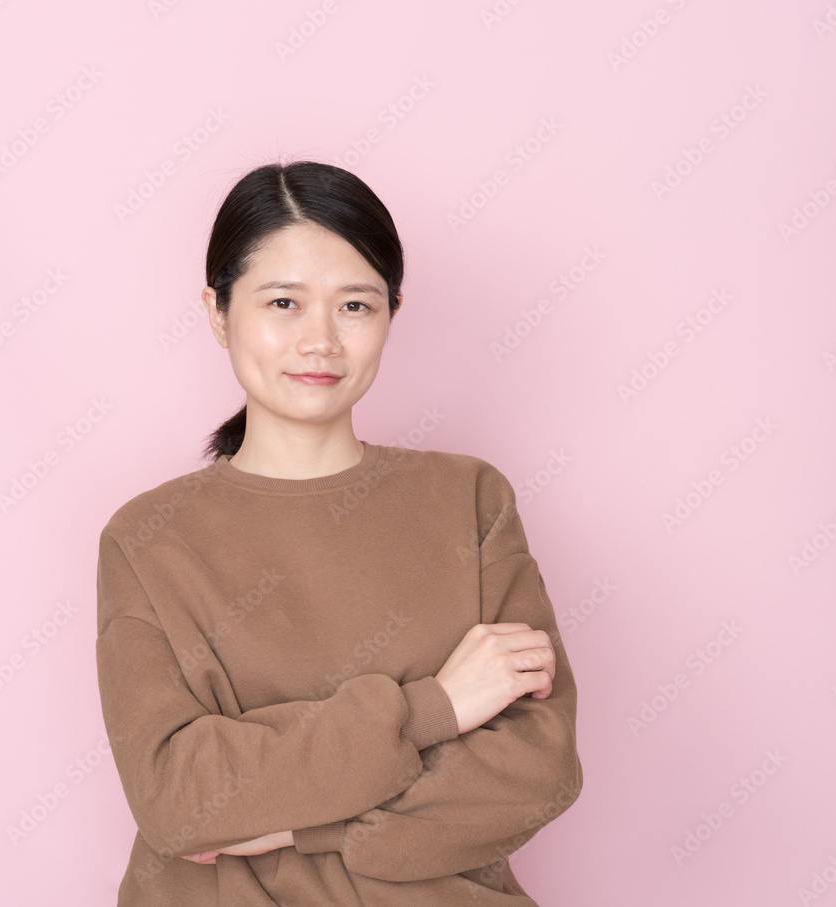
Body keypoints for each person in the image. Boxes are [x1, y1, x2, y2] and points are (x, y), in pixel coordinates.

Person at [94, 160, 582, 905]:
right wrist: (434, 708)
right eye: (283, 302)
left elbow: (536, 772)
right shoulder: (147, 540)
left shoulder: (469, 498)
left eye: (355, 305)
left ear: (392, 313)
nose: (320, 340)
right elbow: (176, 796)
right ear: (219, 312)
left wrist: (294, 825)